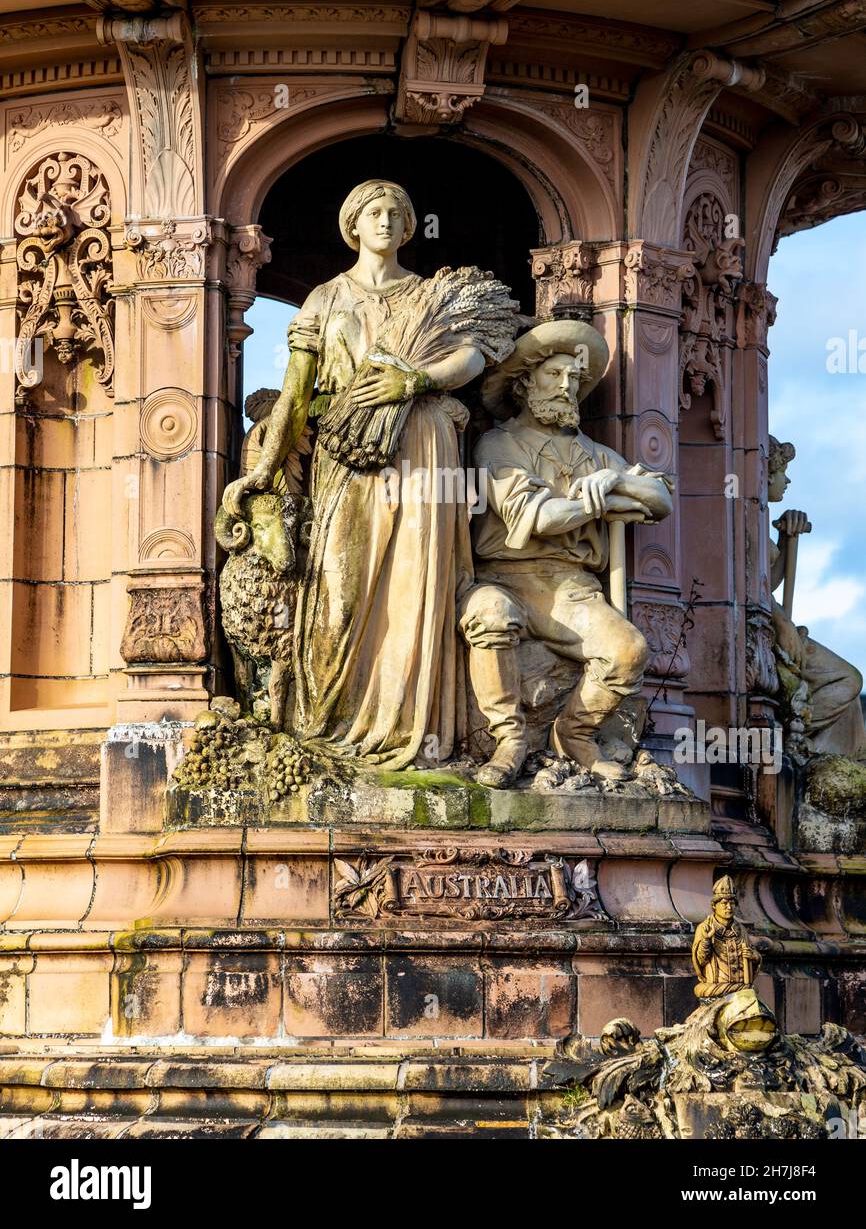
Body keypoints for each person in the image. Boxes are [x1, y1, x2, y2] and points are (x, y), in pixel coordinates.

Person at [222, 179, 514, 769]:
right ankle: (325, 725)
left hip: (423, 450)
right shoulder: (325, 300)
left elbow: (478, 355)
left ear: (410, 228)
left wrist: (417, 382)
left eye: (396, 214)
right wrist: (264, 468)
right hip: (345, 458)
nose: (384, 221)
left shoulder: (428, 298)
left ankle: (415, 732)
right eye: (373, 212)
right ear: (352, 226)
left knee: (415, 586)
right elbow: (297, 397)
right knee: (336, 590)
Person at [459, 320, 673, 787]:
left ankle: (575, 732)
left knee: (627, 651)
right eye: (555, 376)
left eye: (574, 379)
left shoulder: (597, 454)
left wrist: (614, 481)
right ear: (524, 383)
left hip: (575, 590)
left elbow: (661, 500)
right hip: (507, 579)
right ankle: (510, 738)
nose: (567, 387)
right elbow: (539, 518)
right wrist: (595, 504)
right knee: (489, 615)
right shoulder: (498, 444)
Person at [768, 435, 866, 759]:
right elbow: (749, 585)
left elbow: (766, 579)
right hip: (766, 628)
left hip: (772, 623)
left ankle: (814, 744)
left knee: (851, 699)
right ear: (767, 474)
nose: (789, 479)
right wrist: (780, 619)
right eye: (783, 471)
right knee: (849, 679)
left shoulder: (751, 510)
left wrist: (785, 539)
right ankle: (798, 731)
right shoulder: (738, 509)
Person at [691, 875, 761, 999]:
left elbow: (753, 955)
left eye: (732, 903)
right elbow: (701, 961)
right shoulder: (705, 928)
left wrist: (754, 956)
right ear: (714, 906)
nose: (729, 907)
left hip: (741, 990)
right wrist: (706, 940)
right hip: (716, 990)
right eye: (724, 903)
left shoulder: (741, 930)